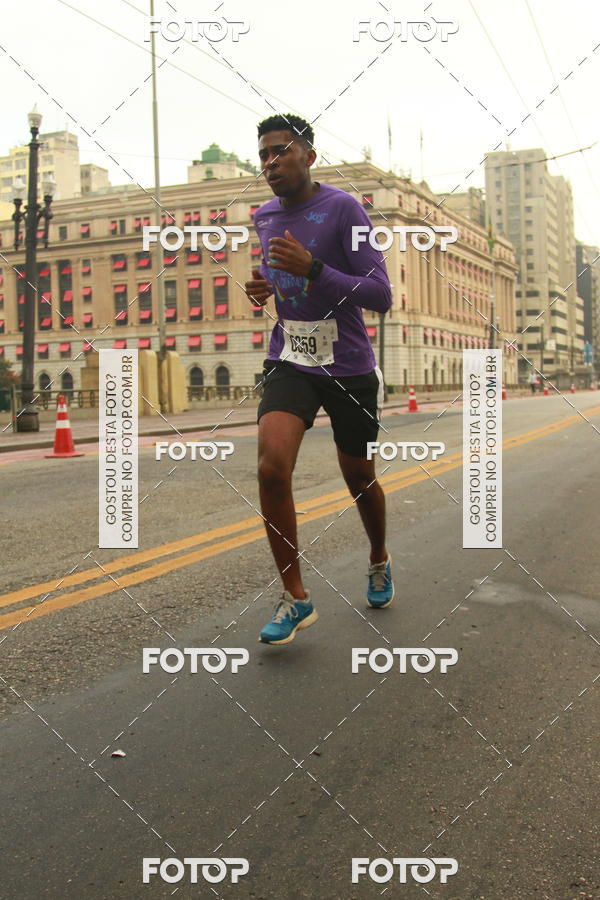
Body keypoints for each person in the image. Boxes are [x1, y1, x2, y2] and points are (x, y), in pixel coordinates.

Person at [243, 113, 393, 645]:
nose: (270, 162)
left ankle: (378, 557)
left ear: (308, 155)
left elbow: (381, 296)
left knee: (359, 477)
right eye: (263, 155)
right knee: (270, 467)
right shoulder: (262, 216)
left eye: (280, 151)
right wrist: (265, 288)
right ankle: (295, 598)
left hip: (348, 365)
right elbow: (280, 282)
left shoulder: (343, 209)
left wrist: (313, 270)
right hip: (291, 358)